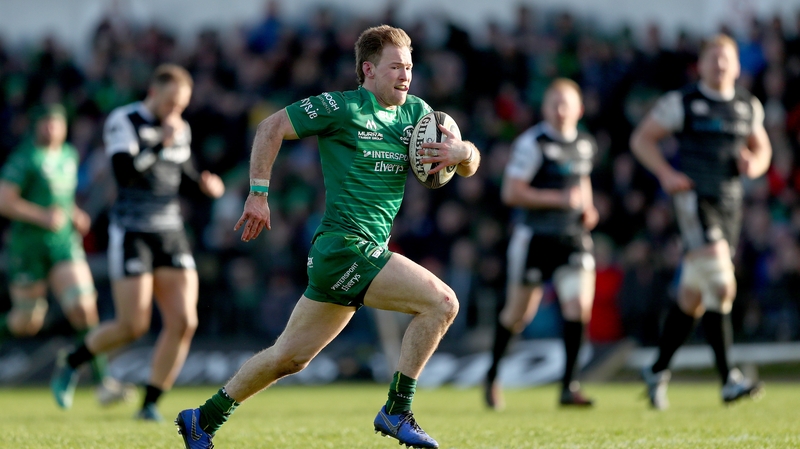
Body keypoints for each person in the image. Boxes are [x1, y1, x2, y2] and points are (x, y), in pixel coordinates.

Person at [175, 25, 480, 449]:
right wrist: (258, 195)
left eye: (409, 67)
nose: (405, 76)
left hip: (357, 253)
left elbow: (469, 162)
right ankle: (397, 409)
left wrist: (461, 153)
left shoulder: (420, 116)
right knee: (442, 302)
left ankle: (201, 419)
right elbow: (270, 127)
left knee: (289, 358)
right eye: (395, 67)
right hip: (344, 247)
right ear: (369, 70)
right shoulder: (343, 107)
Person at [51, 64, 225, 421]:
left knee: (184, 322)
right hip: (133, 231)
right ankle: (71, 360)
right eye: (171, 103)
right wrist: (162, 140)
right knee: (133, 325)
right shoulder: (124, 120)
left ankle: (149, 405)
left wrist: (205, 185)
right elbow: (124, 172)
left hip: (170, 230)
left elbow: (181, 173)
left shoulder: (179, 128)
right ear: (154, 93)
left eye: (182, 106)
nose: (176, 112)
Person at [630, 34, 770, 409]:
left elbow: (763, 149)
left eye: (726, 59)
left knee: (692, 297)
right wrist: (665, 173)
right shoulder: (684, 102)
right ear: (702, 64)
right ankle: (728, 379)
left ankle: (657, 369)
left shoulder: (747, 106)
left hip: (731, 206)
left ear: (737, 66)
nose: (720, 65)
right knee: (723, 285)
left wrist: (754, 164)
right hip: (694, 201)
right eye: (713, 58)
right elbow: (642, 139)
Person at [0, 104, 134, 407]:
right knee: (26, 322)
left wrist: (73, 214)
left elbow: (61, 198)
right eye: (45, 123)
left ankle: (102, 384)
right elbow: (5, 201)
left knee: (84, 309)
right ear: (36, 127)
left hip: (63, 243)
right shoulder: (24, 159)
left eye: (55, 123)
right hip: (29, 247)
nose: (50, 129)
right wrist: (42, 216)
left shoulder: (69, 156)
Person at [483, 79, 599, 410]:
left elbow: (582, 182)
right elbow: (512, 192)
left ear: (580, 109)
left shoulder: (585, 144)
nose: (561, 111)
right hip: (534, 237)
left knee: (578, 306)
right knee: (518, 314)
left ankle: (569, 385)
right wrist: (560, 199)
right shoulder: (532, 143)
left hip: (573, 238)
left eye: (567, 104)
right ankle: (492, 376)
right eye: (554, 104)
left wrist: (587, 209)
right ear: (545, 108)